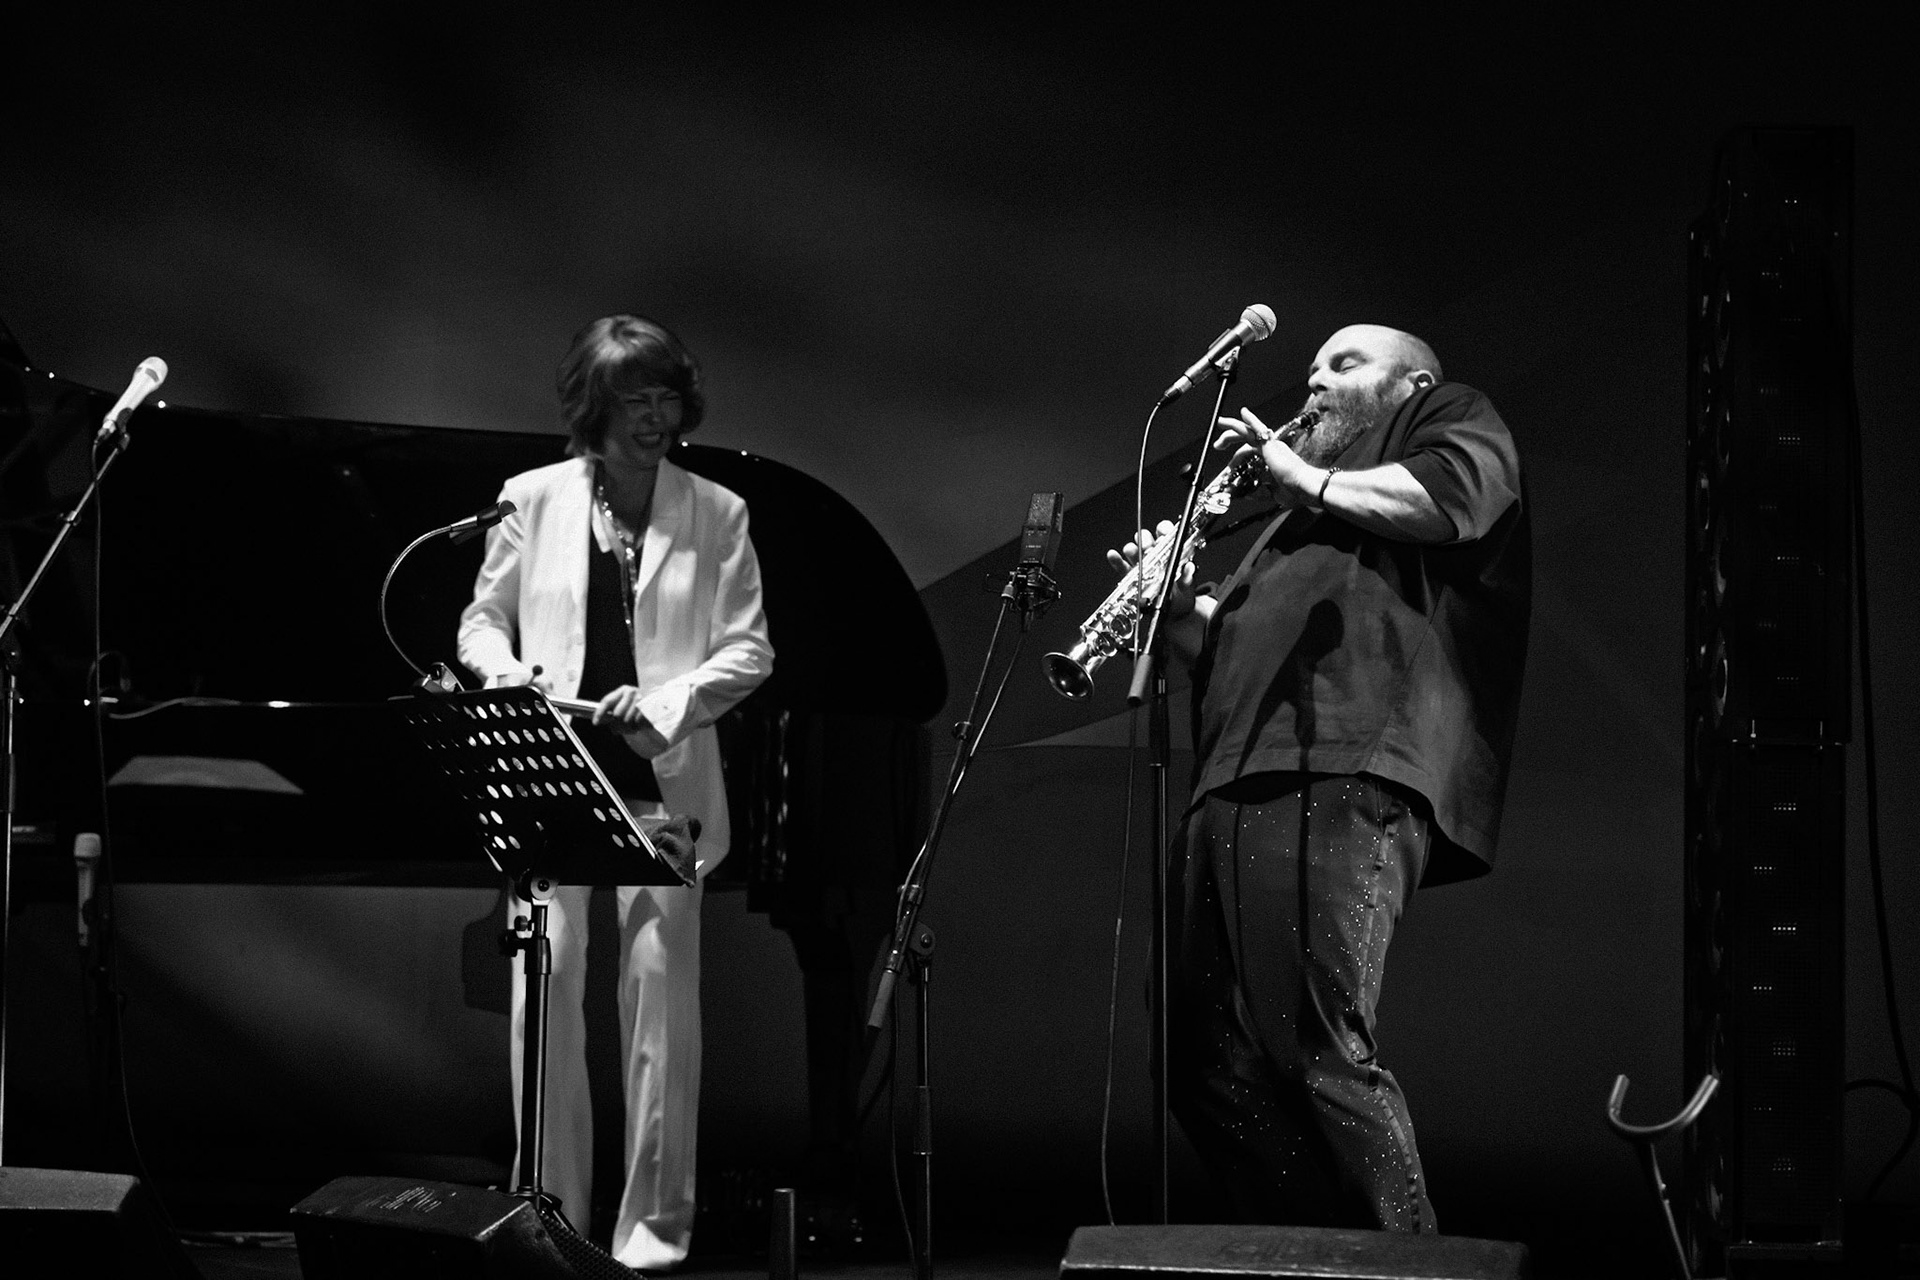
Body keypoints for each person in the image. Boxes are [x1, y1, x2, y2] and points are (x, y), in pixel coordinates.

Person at [1111, 323, 1529, 1232]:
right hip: (1230, 775)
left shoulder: (1448, 418)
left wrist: (1305, 479)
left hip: (1342, 762)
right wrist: (1177, 611)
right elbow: (1225, 655)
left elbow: (1452, 500)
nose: (1316, 383)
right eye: (1311, 370)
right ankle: (1313, 1254)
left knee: (1317, 1045)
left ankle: (1406, 1268)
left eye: (1345, 365)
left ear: (1411, 384)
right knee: (1194, 1055)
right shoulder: (1291, 525)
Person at [458, 314, 774, 1269]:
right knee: (544, 995)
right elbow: (480, 624)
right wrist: (508, 675)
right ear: (593, 408)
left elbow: (750, 650)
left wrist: (668, 703)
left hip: (661, 790)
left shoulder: (717, 511)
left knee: (660, 1014)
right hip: (553, 779)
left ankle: (652, 1241)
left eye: (667, 398)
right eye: (635, 400)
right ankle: (548, 1221)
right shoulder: (529, 499)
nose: (654, 418)